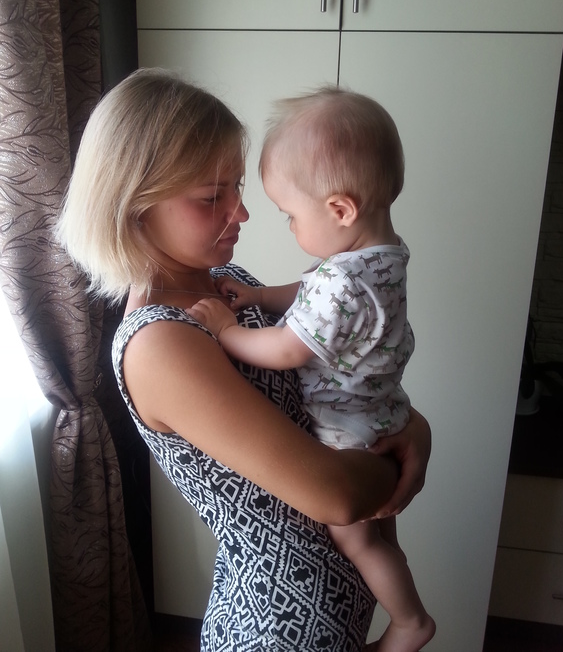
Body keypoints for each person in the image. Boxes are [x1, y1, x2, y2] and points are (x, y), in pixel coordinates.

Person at [55, 68, 432, 652]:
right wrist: (407, 453)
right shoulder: (160, 343)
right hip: (281, 625)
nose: (242, 213)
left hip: (336, 605)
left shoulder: (224, 282)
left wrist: (414, 432)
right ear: (136, 208)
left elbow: (326, 386)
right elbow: (337, 496)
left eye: (236, 186)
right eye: (213, 197)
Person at [188, 87, 435, 652]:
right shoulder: (382, 256)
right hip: (383, 408)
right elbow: (309, 298)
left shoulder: (339, 279)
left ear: (340, 209)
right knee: (384, 533)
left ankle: (410, 623)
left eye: (291, 215)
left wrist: (227, 330)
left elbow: (288, 348)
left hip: (347, 428)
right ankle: (402, 604)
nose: (286, 225)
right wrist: (257, 295)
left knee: (358, 541)